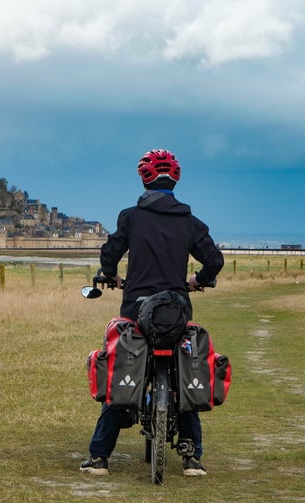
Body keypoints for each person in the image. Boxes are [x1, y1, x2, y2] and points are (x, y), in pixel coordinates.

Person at [80, 149, 224, 477]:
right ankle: (191, 457)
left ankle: (100, 458)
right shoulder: (190, 222)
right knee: (182, 376)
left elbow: (110, 253)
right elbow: (214, 260)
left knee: (121, 372)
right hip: (175, 310)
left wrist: (112, 276)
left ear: (144, 179)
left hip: (135, 309)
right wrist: (197, 281)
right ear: (175, 180)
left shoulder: (130, 217)